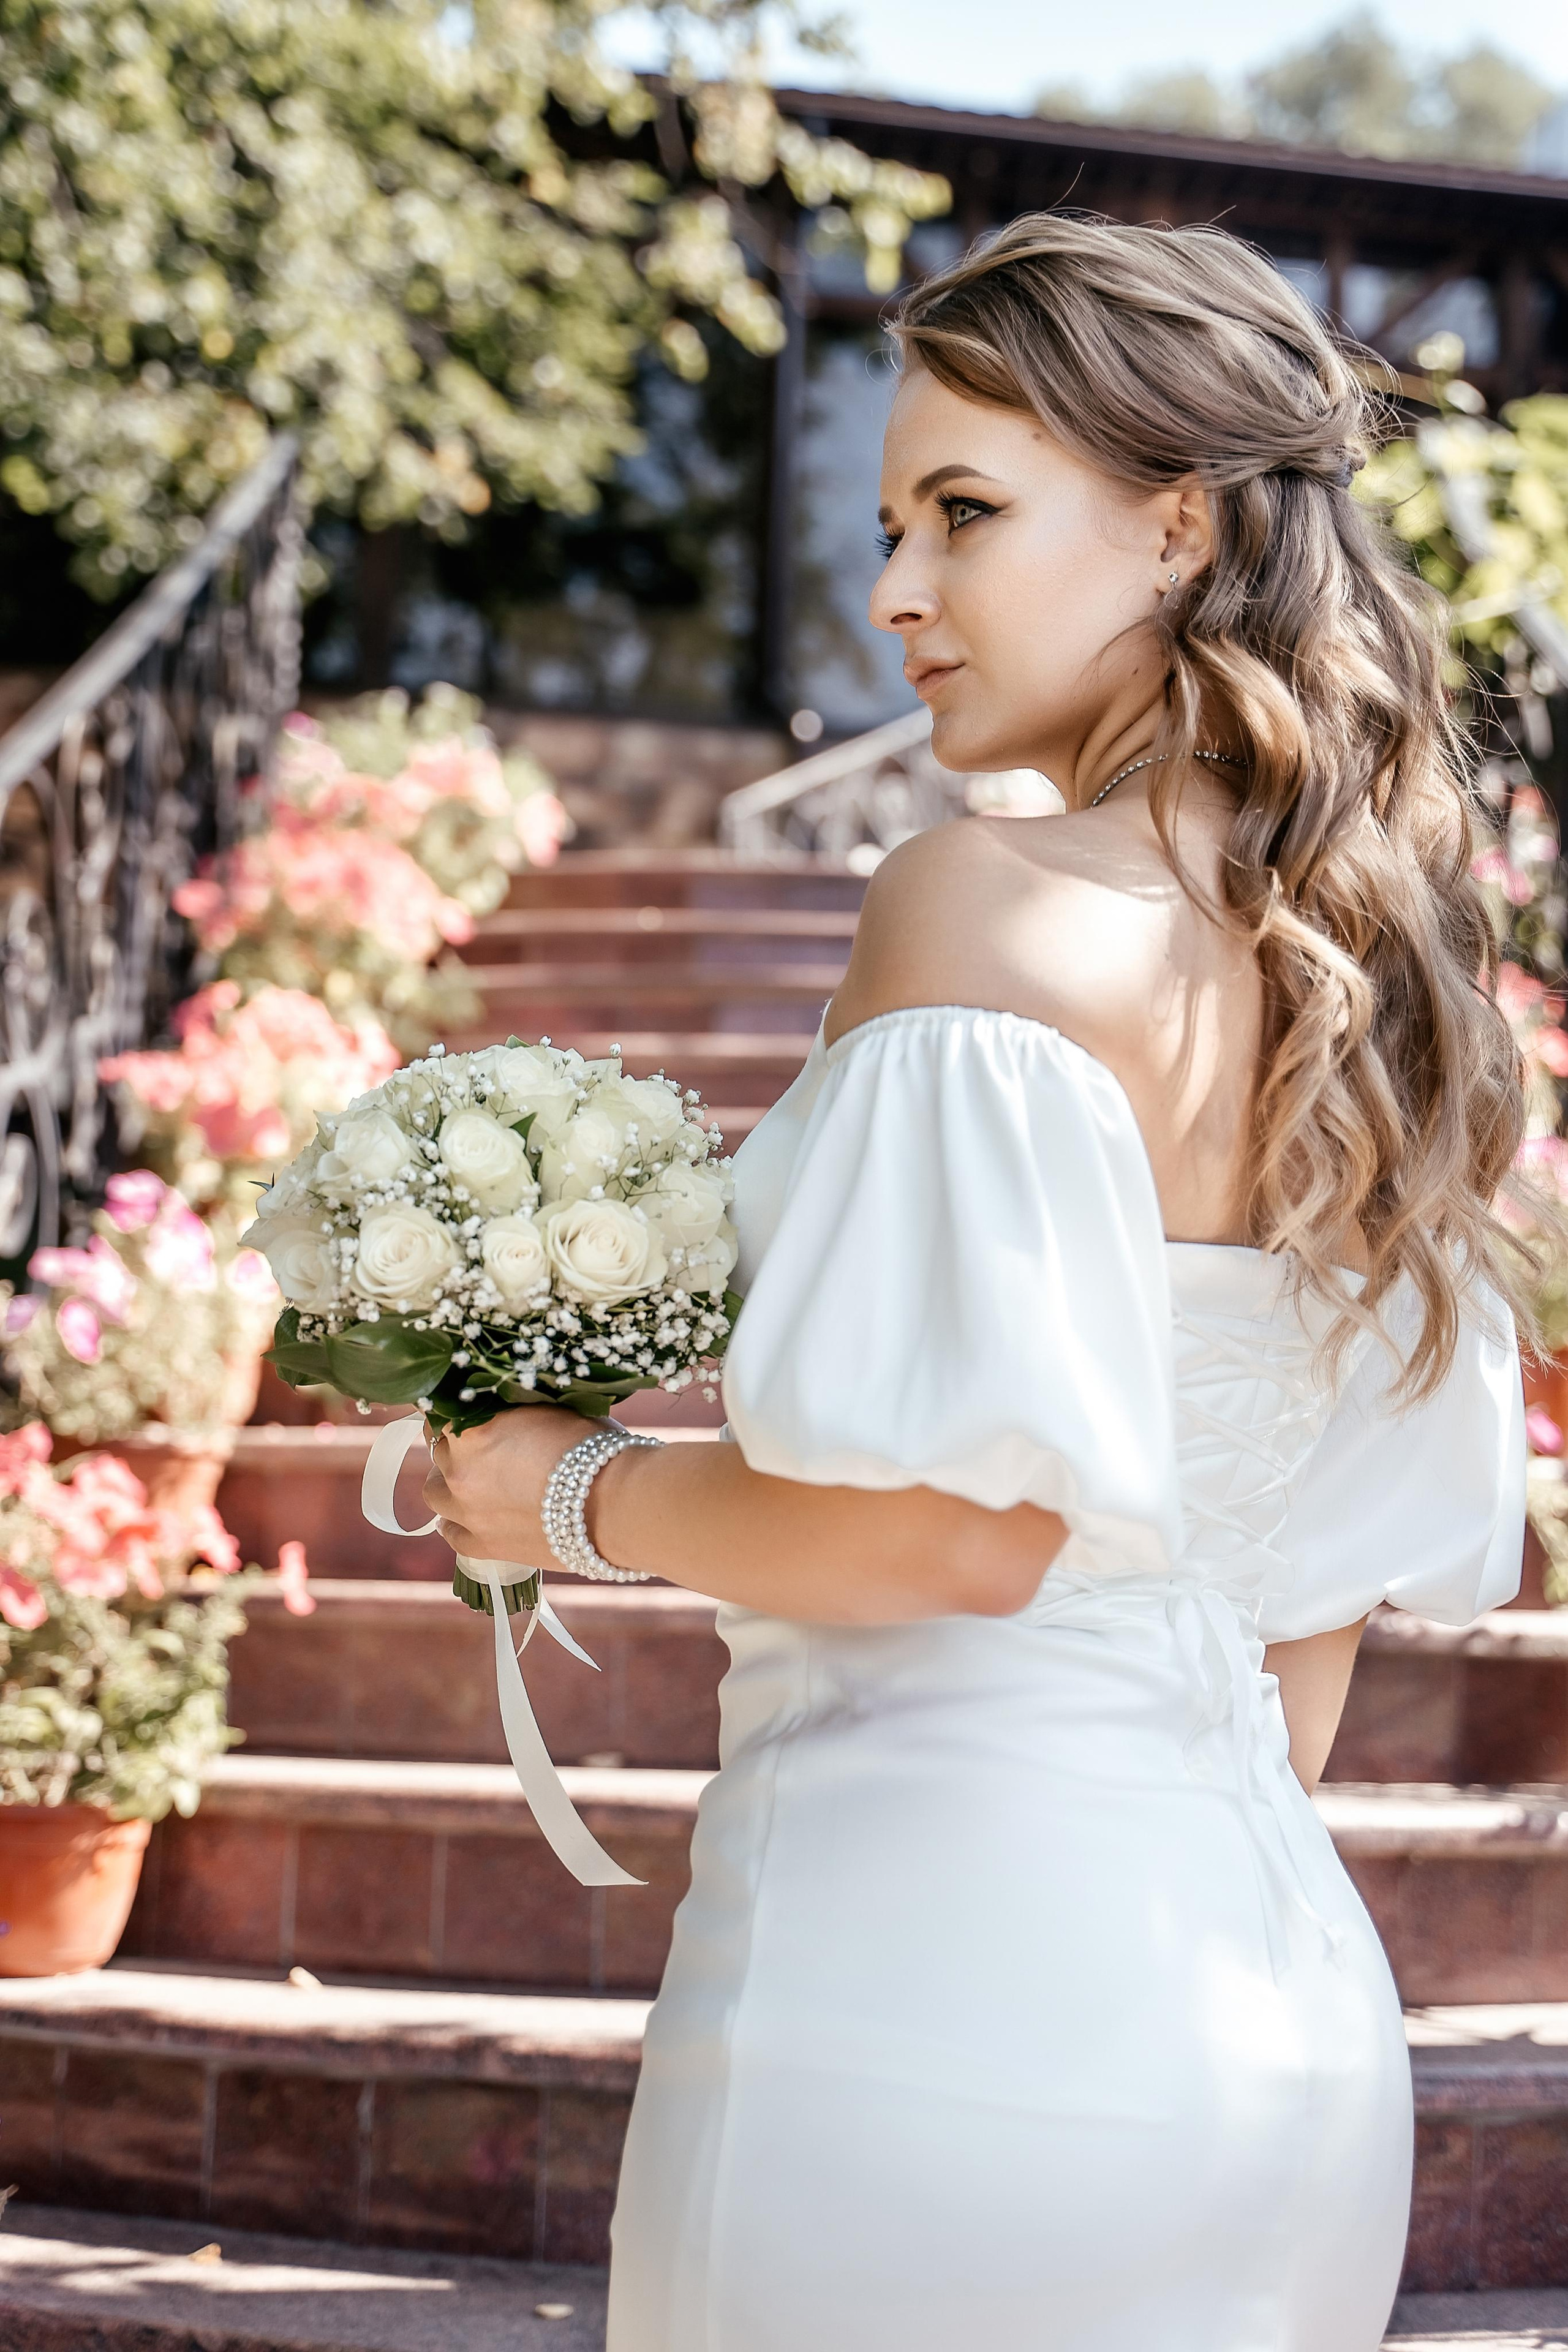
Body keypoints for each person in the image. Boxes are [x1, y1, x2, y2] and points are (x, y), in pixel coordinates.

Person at [424, 213, 1532, 2351]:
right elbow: (1302, 1658)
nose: (894, 591)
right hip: (1264, 2010)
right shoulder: (1381, 994)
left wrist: (562, 1493)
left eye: (964, 511)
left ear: (1180, 525)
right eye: (883, 522)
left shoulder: (979, 898)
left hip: (921, 1990)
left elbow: (962, 1529)